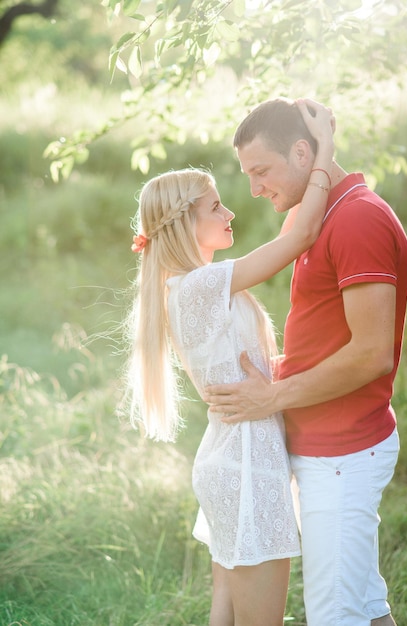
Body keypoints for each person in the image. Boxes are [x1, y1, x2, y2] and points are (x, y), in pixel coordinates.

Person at [124, 100, 335, 626]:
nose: (230, 213)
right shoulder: (195, 287)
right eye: (215, 207)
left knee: (227, 615)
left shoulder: (194, 289)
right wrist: (325, 151)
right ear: (182, 226)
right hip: (244, 466)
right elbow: (298, 237)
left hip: (236, 459)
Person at [204, 97, 407, 626]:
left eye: (261, 171)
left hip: (342, 455)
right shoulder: (315, 212)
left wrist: (271, 396)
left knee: (334, 616)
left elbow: (370, 354)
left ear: (302, 153)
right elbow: (327, 333)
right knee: (366, 608)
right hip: (324, 444)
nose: (253, 188)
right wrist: (273, 370)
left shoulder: (359, 220)